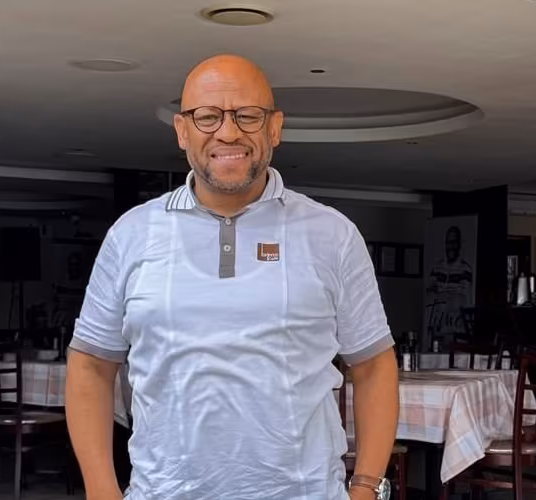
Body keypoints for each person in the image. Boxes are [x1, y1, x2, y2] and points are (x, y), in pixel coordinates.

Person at [64, 54, 400, 500]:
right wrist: (101, 490)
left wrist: (366, 488)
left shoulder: (333, 235)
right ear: (182, 130)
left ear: (275, 128)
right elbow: (90, 364)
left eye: (248, 115)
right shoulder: (131, 234)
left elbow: (374, 365)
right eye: (207, 116)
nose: (227, 132)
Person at [425, 226, 474, 339]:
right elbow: (429, 294)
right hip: (437, 323)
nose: (451, 247)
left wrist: (442, 298)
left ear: (459, 244)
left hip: (454, 326)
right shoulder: (437, 268)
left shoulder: (465, 270)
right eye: (448, 243)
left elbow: (463, 299)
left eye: (454, 242)